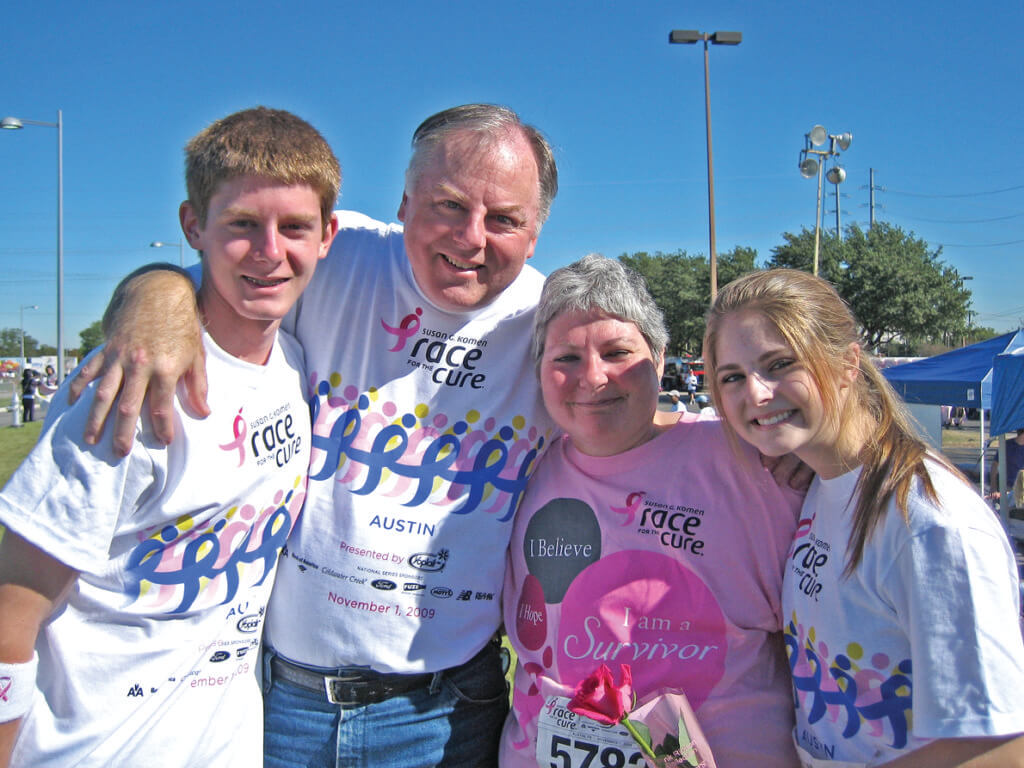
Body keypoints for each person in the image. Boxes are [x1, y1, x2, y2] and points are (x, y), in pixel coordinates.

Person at [67, 104, 559, 767]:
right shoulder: (338, 253)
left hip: (449, 714)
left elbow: (636, 405)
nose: (472, 237)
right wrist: (151, 296)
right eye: (448, 206)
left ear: (536, 233)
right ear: (405, 203)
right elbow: (216, 264)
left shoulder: (553, 325)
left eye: (504, 219)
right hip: (277, 704)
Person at [0, 106, 339, 766]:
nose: (271, 251)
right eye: (242, 225)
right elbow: (11, 609)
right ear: (193, 226)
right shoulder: (126, 394)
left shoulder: (294, 367)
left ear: (327, 235)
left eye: (293, 227)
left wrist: (150, 286)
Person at [703, 268, 1024, 767]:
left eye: (780, 364)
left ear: (848, 362)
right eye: (732, 377)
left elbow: (998, 746)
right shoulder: (817, 482)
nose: (757, 394)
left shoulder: (932, 526)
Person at [500, 255, 804, 768]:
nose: (593, 377)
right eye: (566, 358)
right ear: (538, 371)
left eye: (618, 351)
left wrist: (811, 450)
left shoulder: (752, 460)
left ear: (660, 359)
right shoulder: (521, 465)